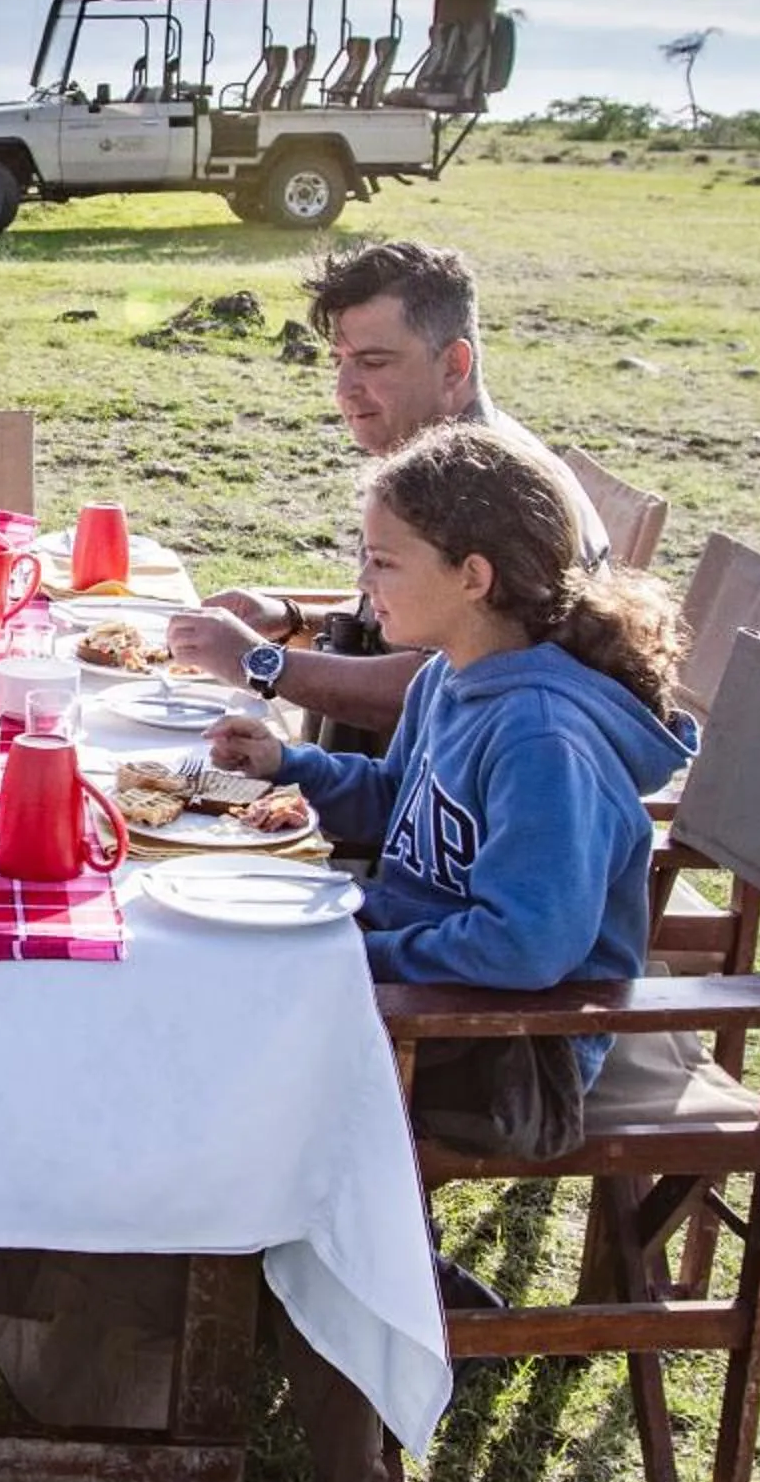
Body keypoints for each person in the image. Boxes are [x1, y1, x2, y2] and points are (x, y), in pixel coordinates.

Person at [204, 420, 692, 1160]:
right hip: (429, 995)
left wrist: (363, 957)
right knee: (203, 978)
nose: (364, 586)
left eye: (383, 563)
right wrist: (290, 765)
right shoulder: (450, 672)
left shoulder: (542, 740)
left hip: (504, 1053)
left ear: (473, 576)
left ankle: (275, 1253)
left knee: (215, 1052)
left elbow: (523, 948)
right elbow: (398, 798)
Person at [168, 241, 610, 746]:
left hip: (421, 808)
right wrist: (292, 620)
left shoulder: (489, 487)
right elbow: (428, 624)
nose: (344, 389)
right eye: (341, 360)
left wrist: (261, 663)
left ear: (453, 366)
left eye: (373, 363)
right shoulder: (441, 460)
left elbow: (444, 686)